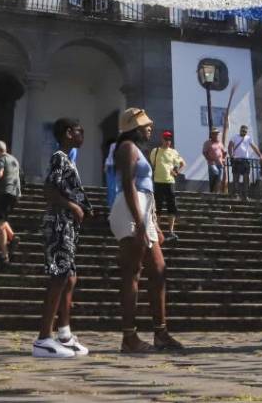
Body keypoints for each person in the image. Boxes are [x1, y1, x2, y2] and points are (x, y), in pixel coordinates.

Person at [110, 108, 184, 353]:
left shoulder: (138, 150)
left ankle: (161, 333)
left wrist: (153, 223)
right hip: (131, 209)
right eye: (145, 124)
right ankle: (129, 337)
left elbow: (146, 189)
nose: (149, 127)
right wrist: (140, 221)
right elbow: (128, 185)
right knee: (133, 272)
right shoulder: (127, 148)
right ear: (134, 127)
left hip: (144, 210)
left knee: (159, 270)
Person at [34, 117, 92, 358]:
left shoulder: (68, 159)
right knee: (59, 276)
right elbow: (49, 189)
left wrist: (83, 206)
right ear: (69, 133)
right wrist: (73, 206)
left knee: (70, 278)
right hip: (59, 222)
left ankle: (64, 334)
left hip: (67, 224)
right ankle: (43, 339)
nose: (83, 135)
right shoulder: (59, 156)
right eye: (80, 131)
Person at [0, 140, 21, 264]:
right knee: (2, 218)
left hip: (4, 192)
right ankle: (12, 237)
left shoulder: (1, 158)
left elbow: (0, 174)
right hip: (14, 193)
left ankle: (4, 255)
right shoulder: (15, 160)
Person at [149, 131, 185, 242]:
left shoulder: (173, 152)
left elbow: (182, 163)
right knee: (157, 207)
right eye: (166, 139)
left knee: (171, 206)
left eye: (169, 139)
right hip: (158, 181)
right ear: (162, 139)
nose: (168, 141)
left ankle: (171, 231)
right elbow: (152, 164)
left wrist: (176, 172)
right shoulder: (155, 151)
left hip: (170, 182)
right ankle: (156, 230)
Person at [228, 125, 262, 201]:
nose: (244, 133)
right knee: (236, 178)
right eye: (243, 131)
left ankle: (245, 195)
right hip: (236, 160)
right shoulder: (234, 137)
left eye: (245, 131)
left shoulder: (248, 138)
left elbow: (254, 147)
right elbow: (230, 146)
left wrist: (260, 155)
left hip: (245, 161)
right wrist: (231, 155)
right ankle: (236, 194)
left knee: (246, 179)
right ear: (240, 130)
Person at [202, 128, 225, 193]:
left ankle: (216, 191)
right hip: (212, 163)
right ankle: (212, 189)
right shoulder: (207, 143)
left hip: (220, 163)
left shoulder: (220, 143)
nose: (216, 135)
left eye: (217, 134)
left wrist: (223, 159)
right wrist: (208, 159)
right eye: (214, 134)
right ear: (211, 135)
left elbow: (224, 152)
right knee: (216, 173)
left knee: (218, 177)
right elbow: (204, 152)